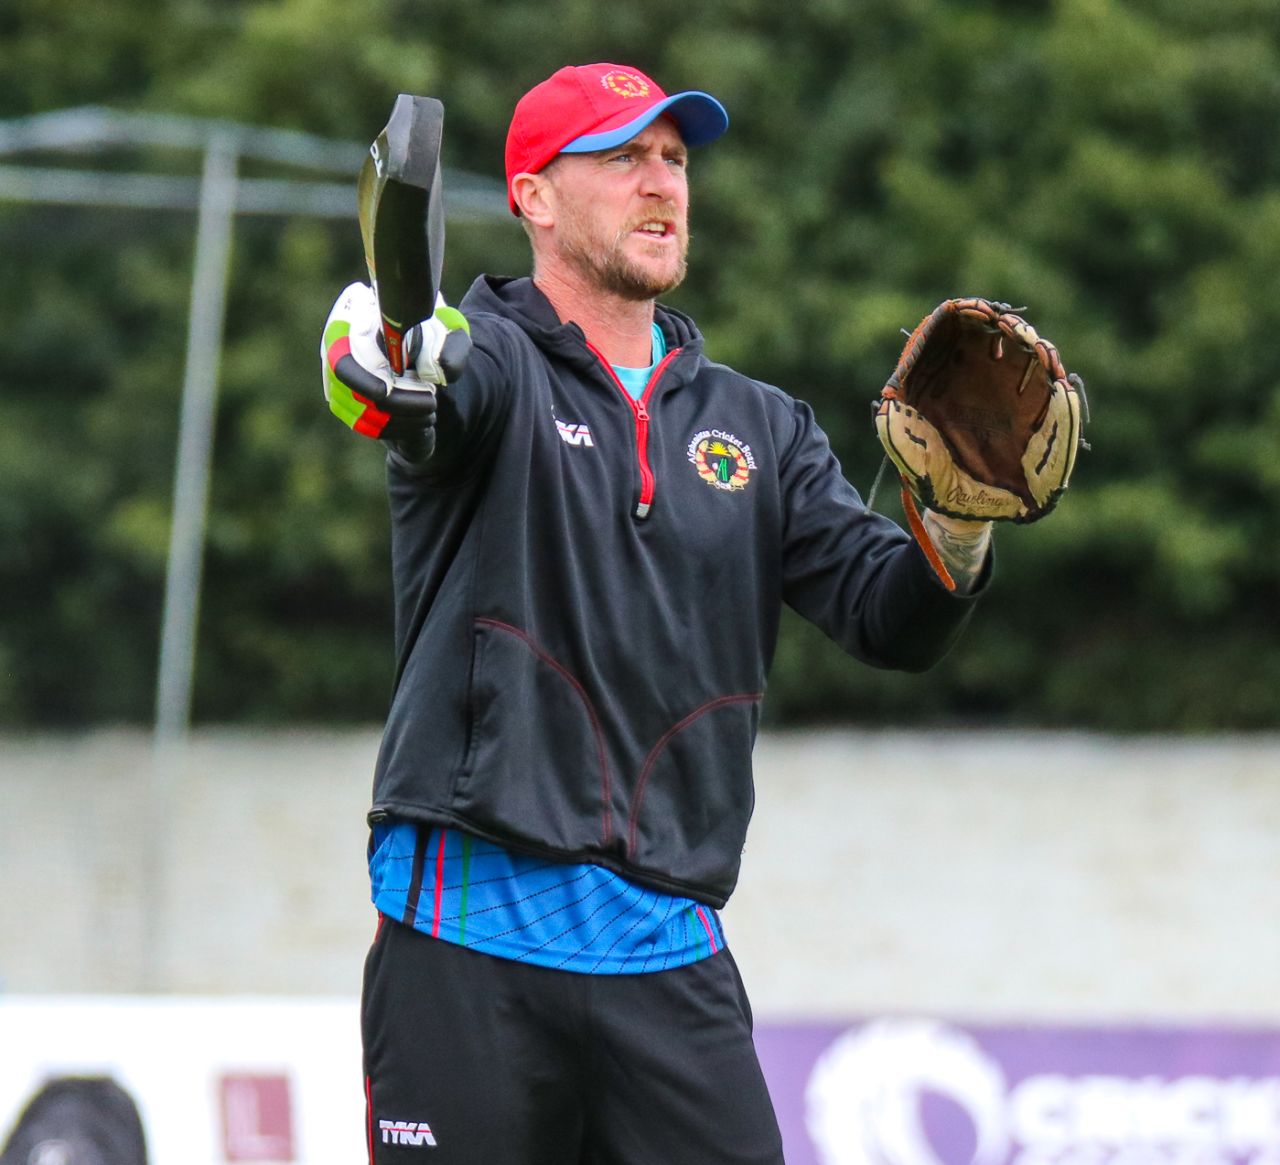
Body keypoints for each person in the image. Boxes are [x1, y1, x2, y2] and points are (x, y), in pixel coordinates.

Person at [321, 62, 992, 1165]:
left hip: (666, 954)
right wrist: (379, 353)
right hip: (465, 945)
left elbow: (893, 620)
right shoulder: (486, 361)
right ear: (533, 195)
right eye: (623, 156)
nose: (661, 184)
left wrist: (959, 526)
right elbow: (414, 389)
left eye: (675, 160)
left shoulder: (761, 429)